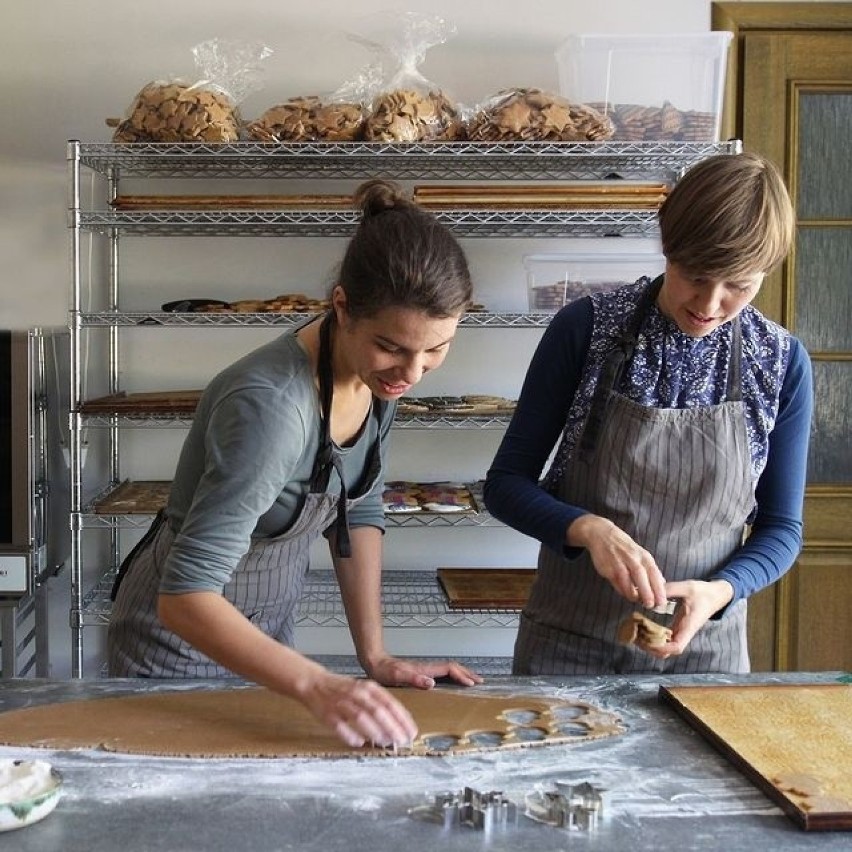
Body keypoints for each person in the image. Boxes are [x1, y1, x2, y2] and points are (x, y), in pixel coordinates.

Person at [108, 178, 483, 747]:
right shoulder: (272, 407)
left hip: (267, 634)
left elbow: (356, 514)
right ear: (342, 307)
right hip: (176, 648)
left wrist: (374, 656)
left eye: (436, 348)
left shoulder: (375, 378)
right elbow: (185, 596)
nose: (412, 372)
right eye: (393, 346)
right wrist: (318, 684)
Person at [484, 152, 813, 675]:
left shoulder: (780, 362)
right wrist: (587, 529)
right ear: (667, 246)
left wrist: (721, 590)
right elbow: (504, 486)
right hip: (569, 646)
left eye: (739, 287)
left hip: (706, 655)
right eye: (695, 276)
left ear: (765, 274)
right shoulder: (586, 330)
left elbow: (782, 528)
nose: (710, 303)